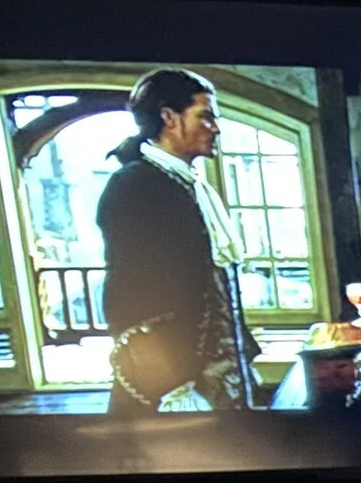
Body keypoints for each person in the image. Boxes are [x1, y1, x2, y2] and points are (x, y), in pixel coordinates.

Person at [97, 69, 257, 414]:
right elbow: (126, 296)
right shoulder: (134, 188)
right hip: (171, 384)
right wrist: (171, 384)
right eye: (206, 117)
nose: (215, 128)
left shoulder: (191, 185)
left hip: (217, 373)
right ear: (169, 118)